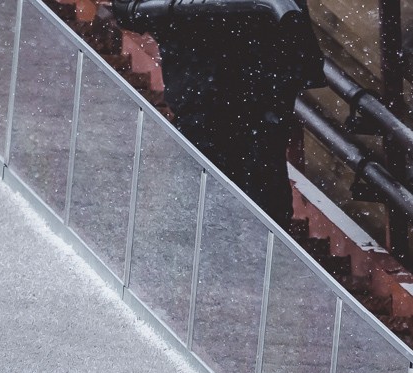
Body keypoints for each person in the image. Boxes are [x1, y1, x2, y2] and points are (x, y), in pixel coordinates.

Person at [112, 0, 326, 225]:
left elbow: (302, 54)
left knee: (212, 201)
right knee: (235, 199)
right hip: (234, 105)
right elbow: (305, 59)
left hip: (227, 104)